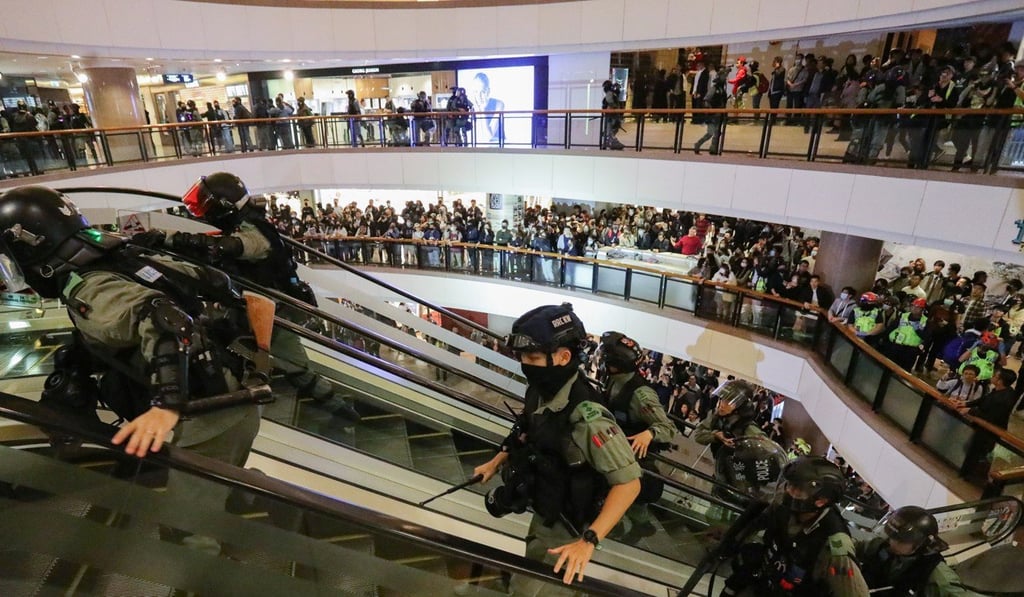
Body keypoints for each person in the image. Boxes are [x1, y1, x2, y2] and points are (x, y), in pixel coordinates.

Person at [0, 186, 262, 550]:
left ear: (34, 248)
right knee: (72, 360)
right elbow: (216, 282)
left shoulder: (88, 288)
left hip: (210, 422)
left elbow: (164, 318)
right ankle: (244, 491)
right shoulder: (121, 255)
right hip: (236, 399)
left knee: (184, 533)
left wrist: (166, 406)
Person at [131, 172, 357, 419]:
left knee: (297, 368)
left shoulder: (257, 234)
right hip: (255, 306)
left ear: (224, 206)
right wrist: (166, 239)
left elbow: (223, 248)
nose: (204, 212)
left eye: (208, 205)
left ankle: (342, 411)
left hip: (273, 312)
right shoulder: (246, 224)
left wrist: (169, 239)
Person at [473, 304, 641, 590]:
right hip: (545, 507)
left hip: (567, 528)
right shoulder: (541, 390)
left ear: (563, 357)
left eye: (533, 356)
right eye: (523, 356)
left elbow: (629, 483)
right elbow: (526, 427)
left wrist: (588, 541)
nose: (526, 363)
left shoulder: (587, 416)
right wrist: (497, 461)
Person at [721, 456, 870, 596]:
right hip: (766, 583)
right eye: (790, 484)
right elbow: (758, 520)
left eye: (797, 489)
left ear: (821, 501)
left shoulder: (834, 546)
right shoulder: (784, 505)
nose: (789, 490)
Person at [596, 331, 677, 541]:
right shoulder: (615, 379)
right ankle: (634, 525)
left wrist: (650, 433)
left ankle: (632, 526)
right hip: (616, 447)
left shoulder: (641, 395)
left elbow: (668, 428)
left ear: (615, 363)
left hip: (633, 457)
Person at [857, 506, 971, 596]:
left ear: (921, 543)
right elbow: (852, 547)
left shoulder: (936, 574)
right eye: (892, 537)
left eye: (901, 541)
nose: (892, 543)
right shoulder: (881, 546)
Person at [601, 80, 625, 150]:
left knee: (612, 129)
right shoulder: (610, 94)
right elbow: (610, 101)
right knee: (611, 129)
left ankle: (609, 141)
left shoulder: (611, 94)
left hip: (612, 115)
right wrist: (613, 107)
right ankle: (610, 141)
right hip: (611, 116)